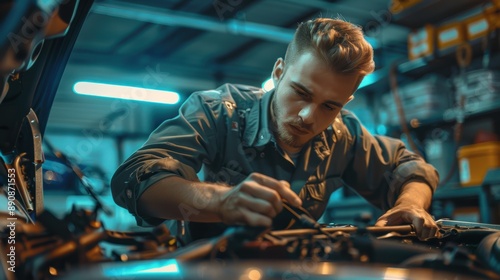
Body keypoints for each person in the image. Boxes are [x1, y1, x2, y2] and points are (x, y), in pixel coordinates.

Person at [111, 17, 440, 243]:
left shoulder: (344, 133)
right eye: (301, 93)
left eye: (330, 105)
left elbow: (408, 167)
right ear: (279, 71)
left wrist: (411, 203)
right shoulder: (216, 110)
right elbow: (135, 178)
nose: (309, 117)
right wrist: (221, 201)